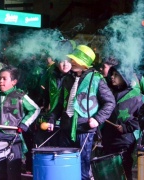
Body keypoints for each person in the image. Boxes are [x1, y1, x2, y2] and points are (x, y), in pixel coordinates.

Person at [47, 45, 116, 180]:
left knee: (83, 166)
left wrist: (98, 119)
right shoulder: (67, 78)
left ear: (84, 63)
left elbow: (110, 102)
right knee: (65, 164)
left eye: (75, 60)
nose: (71, 62)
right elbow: (60, 103)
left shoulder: (96, 79)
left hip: (84, 129)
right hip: (66, 127)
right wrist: (52, 119)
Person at [0, 66, 40, 180]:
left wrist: (24, 124)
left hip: (13, 138)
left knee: (12, 171)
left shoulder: (20, 95)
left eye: (4, 79)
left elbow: (35, 109)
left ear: (14, 82)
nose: (1, 81)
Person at [102, 64, 144, 180]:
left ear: (124, 76)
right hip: (108, 141)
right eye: (112, 74)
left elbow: (141, 119)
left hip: (124, 142)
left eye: (116, 75)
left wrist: (125, 128)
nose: (112, 77)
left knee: (124, 173)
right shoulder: (109, 93)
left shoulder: (137, 97)